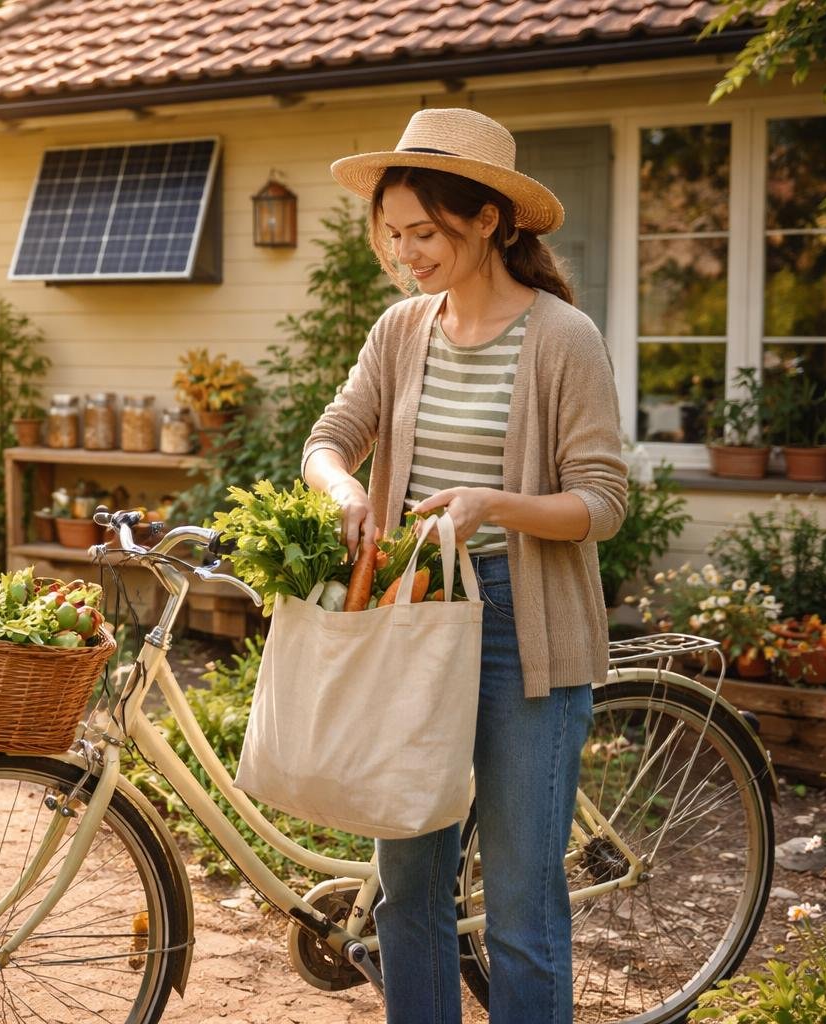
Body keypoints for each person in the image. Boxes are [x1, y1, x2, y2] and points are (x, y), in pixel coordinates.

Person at [301, 108, 628, 1024]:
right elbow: (329, 442)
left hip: (523, 632)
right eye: (393, 234)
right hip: (416, 617)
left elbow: (602, 502)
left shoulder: (563, 338)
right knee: (409, 892)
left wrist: (495, 507)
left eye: (426, 233)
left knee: (523, 909)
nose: (406, 253)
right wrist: (345, 495)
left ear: (488, 220)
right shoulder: (403, 331)